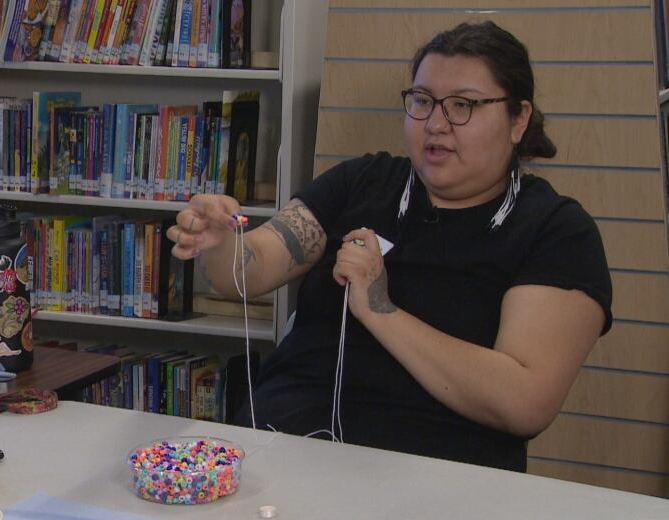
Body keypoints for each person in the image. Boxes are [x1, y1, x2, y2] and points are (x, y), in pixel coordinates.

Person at [168, 21, 612, 472]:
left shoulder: (555, 230)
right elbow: (250, 270)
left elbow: (524, 402)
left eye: (463, 105)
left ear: (518, 119)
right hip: (283, 454)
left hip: (437, 478)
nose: (436, 124)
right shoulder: (362, 182)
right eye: (422, 101)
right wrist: (221, 242)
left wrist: (380, 309)